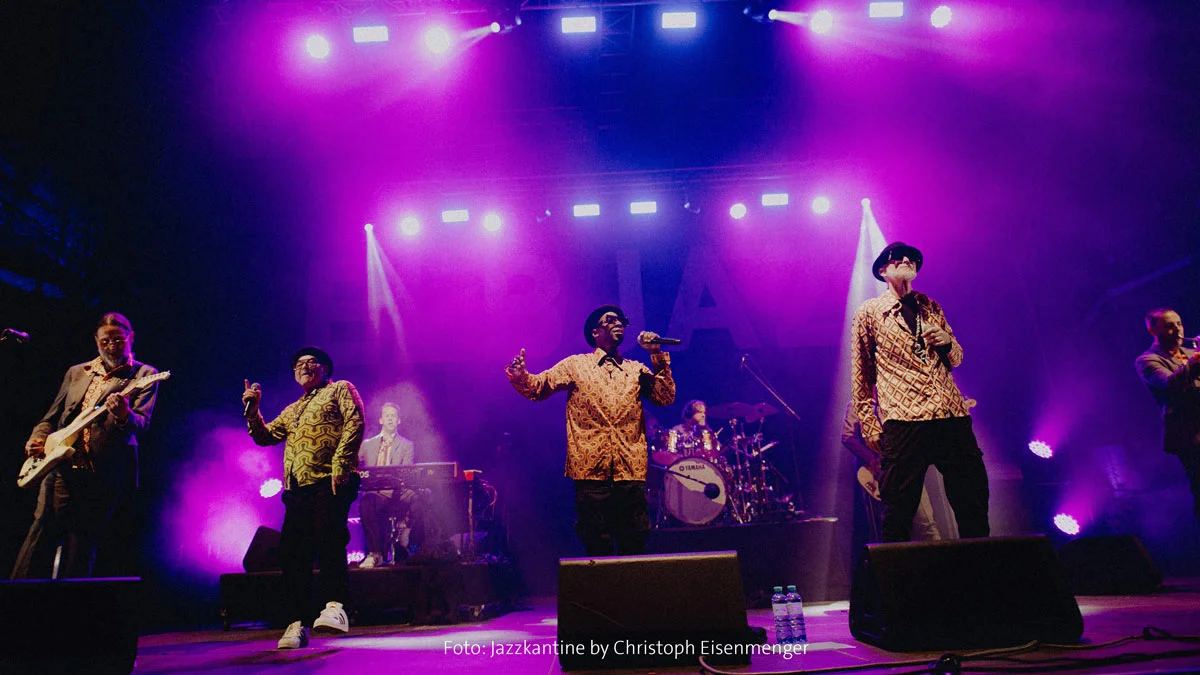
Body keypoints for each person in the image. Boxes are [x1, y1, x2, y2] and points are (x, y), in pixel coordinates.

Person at [506, 304, 676, 556]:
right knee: (597, 542)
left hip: (630, 469)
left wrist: (656, 354)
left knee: (634, 540)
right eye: (611, 320)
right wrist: (520, 375)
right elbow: (538, 387)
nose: (618, 323)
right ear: (595, 332)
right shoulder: (576, 365)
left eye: (621, 320)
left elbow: (665, 397)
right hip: (591, 469)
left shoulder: (635, 369)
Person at [850, 242, 989, 542]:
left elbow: (957, 358)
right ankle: (893, 572)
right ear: (883, 270)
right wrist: (869, 421)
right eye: (897, 257)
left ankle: (981, 567)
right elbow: (861, 372)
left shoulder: (931, 306)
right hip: (905, 418)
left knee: (973, 500)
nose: (906, 260)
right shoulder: (869, 312)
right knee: (899, 508)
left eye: (912, 258)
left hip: (950, 413)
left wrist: (947, 342)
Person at [11, 312, 159, 579]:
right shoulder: (77, 372)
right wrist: (37, 439)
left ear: (131, 338)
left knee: (81, 545)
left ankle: (71, 603)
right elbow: (51, 417)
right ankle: (16, 599)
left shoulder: (143, 375)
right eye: (105, 341)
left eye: (118, 340)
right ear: (96, 341)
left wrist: (123, 415)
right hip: (60, 466)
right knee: (39, 536)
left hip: (102, 474)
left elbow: (141, 424)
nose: (111, 346)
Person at [242, 347, 365, 650]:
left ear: (325, 368)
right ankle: (297, 622)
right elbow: (265, 437)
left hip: (330, 479)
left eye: (312, 362)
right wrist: (254, 410)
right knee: (292, 553)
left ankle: (335, 606)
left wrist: (341, 463)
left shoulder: (340, 389)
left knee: (329, 537)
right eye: (299, 364)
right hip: (297, 489)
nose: (305, 367)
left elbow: (355, 421)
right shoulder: (292, 409)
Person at [1135, 308, 1200, 522]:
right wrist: (1197, 360)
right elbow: (1169, 384)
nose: (1178, 330)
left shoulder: (1191, 354)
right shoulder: (1147, 360)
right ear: (1153, 330)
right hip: (1189, 435)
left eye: (1179, 324)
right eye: (1169, 326)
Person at [842, 401, 940, 542]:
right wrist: (872, 458)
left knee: (922, 524)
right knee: (899, 526)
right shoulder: (858, 404)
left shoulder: (895, 399)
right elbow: (847, 436)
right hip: (880, 473)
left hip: (904, 466)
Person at [357, 402, 416, 568]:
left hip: (399, 492)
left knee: (422, 496)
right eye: (387, 416)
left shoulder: (407, 445)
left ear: (399, 420)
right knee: (366, 502)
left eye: (393, 416)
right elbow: (354, 464)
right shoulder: (367, 444)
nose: (390, 419)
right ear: (381, 420)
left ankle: (406, 533)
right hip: (376, 494)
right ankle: (375, 554)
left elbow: (407, 472)